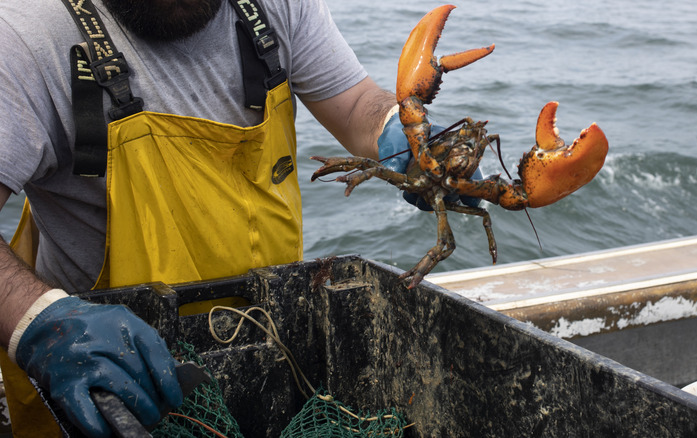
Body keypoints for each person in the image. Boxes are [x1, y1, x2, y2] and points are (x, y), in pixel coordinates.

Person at [0, 0, 419, 435]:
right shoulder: (25, 37)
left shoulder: (278, 6)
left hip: (271, 343)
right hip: (110, 387)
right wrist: (38, 321)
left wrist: (399, 130)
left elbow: (354, 106)